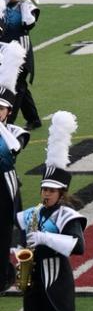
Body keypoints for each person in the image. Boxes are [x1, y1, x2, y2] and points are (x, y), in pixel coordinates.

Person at [16, 113, 83, 311]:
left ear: (61, 193)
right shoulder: (31, 214)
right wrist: (18, 255)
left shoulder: (68, 216)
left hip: (57, 281)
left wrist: (45, 238)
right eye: (44, 189)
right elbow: (19, 241)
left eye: (51, 191)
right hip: (34, 280)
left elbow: (77, 246)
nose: (45, 194)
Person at [0, 45, 27, 259]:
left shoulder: (16, 131)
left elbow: (14, 148)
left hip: (5, 184)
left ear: (9, 111)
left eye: (1, 109)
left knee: (8, 229)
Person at [0, 0, 39, 130]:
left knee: (17, 85)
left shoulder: (27, 6)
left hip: (22, 53)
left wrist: (23, 0)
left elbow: (29, 23)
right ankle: (33, 119)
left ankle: (9, 121)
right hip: (4, 51)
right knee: (20, 85)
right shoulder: (2, 6)